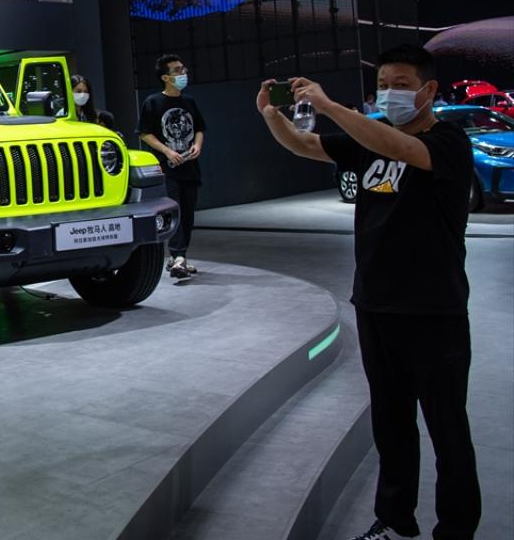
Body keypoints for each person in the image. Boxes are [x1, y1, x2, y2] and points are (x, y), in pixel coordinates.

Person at [257, 45, 480, 540]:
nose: (390, 93)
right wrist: (271, 115)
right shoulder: (369, 141)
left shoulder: (447, 142)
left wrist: (329, 105)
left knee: (447, 427)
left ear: (428, 90)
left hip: (433, 309)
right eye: (383, 85)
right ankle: (396, 520)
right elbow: (305, 145)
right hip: (376, 304)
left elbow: (405, 150)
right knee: (391, 421)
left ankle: (457, 528)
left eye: (402, 85)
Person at [137, 55, 205, 281]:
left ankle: (179, 256)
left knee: (188, 213)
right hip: (167, 168)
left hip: (190, 167)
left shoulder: (190, 102)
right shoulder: (153, 102)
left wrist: (197, 145)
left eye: (183, 68)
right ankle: (178, 256)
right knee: (174, 210)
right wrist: (167, 151)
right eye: (177, 70)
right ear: (165, 77)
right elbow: (145, 133)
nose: (183, 73)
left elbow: (199, 128)